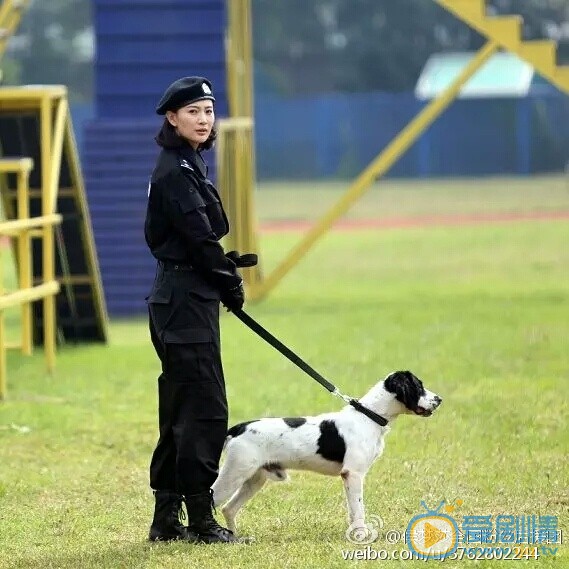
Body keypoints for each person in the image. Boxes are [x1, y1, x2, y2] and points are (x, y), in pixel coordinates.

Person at [144, 76, 252, 544]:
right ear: (172, 117)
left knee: (181, 408)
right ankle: (201, 521)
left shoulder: (187, 164)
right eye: (193, 112)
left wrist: (220, 274)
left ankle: (168, 520)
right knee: (204, 409)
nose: (204, 120)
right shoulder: (176, 171)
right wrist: (228, 280)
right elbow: (199, 239)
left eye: (208, 111)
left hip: (183, 296)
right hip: (184, 300)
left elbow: (200, 242)